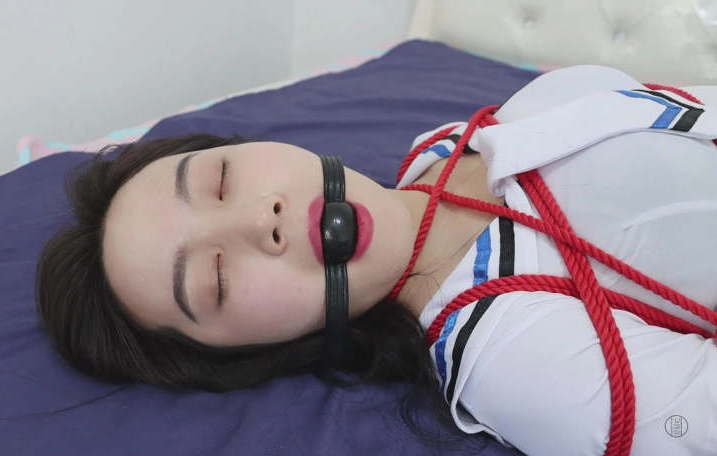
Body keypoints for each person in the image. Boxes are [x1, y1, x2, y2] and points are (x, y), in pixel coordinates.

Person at [36, 65, 717, 455]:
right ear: (246, 354)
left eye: (221, 180)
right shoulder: (512, 355)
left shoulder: (440, 147)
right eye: (214, 279)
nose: (259, 220)